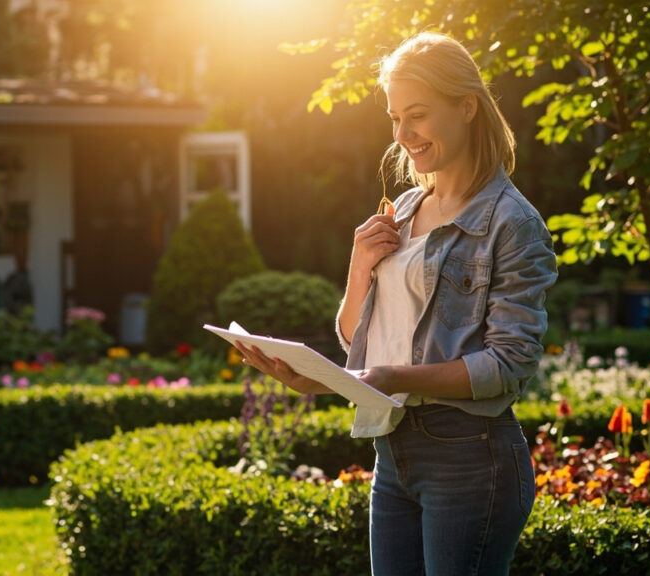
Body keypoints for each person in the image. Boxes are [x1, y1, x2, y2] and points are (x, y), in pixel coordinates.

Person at [235, 31, 558, 575]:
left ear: (467, 107)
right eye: (393, 117)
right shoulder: (404, 209)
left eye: (418, 115)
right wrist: (358, 270)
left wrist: (390, 376)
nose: (402, 134)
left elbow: (509, 364)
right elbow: (356, 337)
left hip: (469, 457)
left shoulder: (512, 223)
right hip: (393, 452)